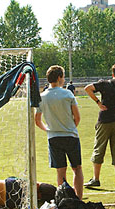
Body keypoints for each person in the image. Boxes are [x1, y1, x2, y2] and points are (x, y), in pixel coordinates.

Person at [35, 65, 84, 199]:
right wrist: (70, 128)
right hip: (70, 136)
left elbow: (37, 120)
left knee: (60, 171)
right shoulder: (67, 93)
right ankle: (78, 199)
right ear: (59, 77)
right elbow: (77, 117)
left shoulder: (42, 96)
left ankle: (63, 199)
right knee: (77, 168)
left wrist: (48, 130)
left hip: (54, 137)